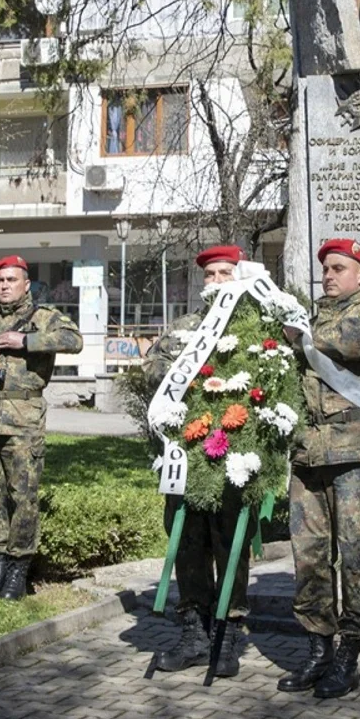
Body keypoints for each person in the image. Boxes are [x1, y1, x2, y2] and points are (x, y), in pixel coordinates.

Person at [278, 239, 360, 701]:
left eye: (338, 268)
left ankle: (349, 655)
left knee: (354, 558)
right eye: (325, 269)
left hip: (355, 456)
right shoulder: (310, 321)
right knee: (308, 557)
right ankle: (317, 650)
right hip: (309, 456)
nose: (328, 276)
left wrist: (299, 334)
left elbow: (347, 339)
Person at [0, 256, 84, 600]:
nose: (5, 286)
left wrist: (26, 342)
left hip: (23, 419)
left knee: (23, 496)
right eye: (0, 281)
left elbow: (73, 340)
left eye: (12, 280)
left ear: (26, 284)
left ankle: (17, 572)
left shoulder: (44, 317)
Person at [143, 245, 250, 676]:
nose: (217, 281)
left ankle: (227, 635)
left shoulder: (251, 329)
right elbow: (154, 369)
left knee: (228, 543)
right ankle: (193, 631)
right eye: (210, 275)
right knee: (186, 540)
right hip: (184, 455)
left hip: (231, 456)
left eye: (225, 273)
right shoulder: (185, 328)